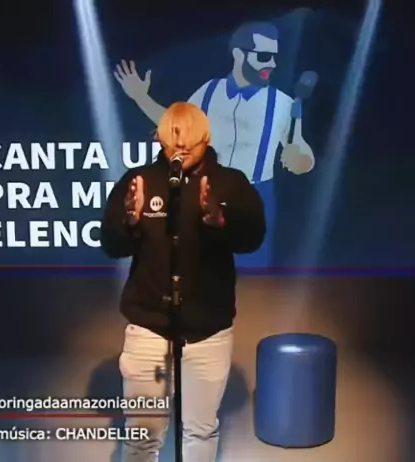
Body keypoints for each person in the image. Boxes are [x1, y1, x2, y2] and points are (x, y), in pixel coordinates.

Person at [100, 102, 265, 462]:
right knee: (142, 435)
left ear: (206, 139)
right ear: (160, 139)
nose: (181, 147)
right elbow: (111, 245)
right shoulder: (139, 181)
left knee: (200, 430)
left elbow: (253, 237)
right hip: (149, 328)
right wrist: (130, 222)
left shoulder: (230, 183)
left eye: (191, 140)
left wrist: (220, 222)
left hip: (208, 332)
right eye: (173, 140)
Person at [115, 21, 314, 268]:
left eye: (274, 57)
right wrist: (140, 97)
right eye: (264, 56)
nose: (271, 64)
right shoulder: (208, 92)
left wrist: (301, 160)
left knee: (253, 270)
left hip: (256, 195)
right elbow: (174, 122)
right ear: (239, 54)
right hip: (207, 193)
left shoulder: (283, 104)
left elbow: (301, 151)